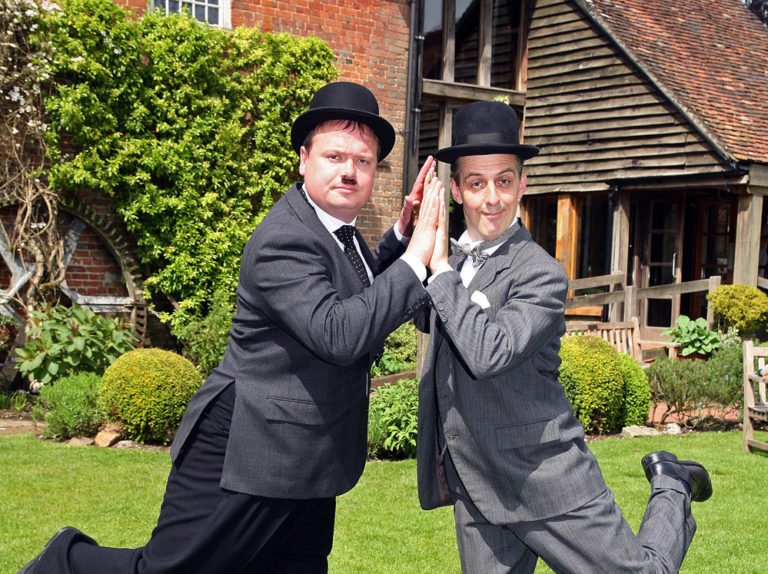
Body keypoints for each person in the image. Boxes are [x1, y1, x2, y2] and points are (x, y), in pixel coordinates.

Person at [20, 81, 444, 574]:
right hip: (248, 444)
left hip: (308, 453)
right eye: (335, 156)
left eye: (363, 161)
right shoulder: (284, 238)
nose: (349, 171)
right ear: (304, 159)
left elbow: (349, 283)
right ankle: (63, 561)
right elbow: (339, 332)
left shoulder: (333, 232)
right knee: (169, 570)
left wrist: (398, 236)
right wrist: (417, 258)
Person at [415, 100, 712, 574]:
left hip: (545, 476)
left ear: (522, 184)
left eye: (504, 181)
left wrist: (439, 272)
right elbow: (411, 313)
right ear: (455, 190)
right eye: (476, 183)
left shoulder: (540, 273)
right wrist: (409, 242)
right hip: (478, 480)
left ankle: (672, 485)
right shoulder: (448, 263)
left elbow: (488, 352)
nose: (491, 198)